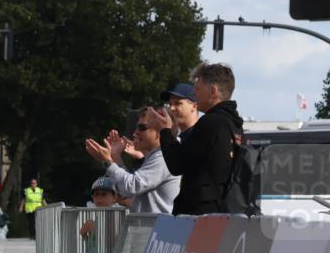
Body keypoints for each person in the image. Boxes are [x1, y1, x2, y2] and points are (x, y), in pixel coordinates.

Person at [147, 62, 244, 215]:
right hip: (222, 211)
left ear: (213, 91)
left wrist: (165, 131)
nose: (195, 95)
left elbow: (177, 164)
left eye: (197, 89)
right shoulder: (235, 125)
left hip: (199, 216)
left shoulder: (210, 122)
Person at [84, 106, 180, 214]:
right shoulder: (156, 157)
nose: (135, 133)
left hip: (160, 230)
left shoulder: (162, 157)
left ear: (159, 131)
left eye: (142, 128)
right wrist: (115, 157)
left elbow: (130, 187)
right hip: (153, 228)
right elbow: (128, 191)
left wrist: (107, 162)